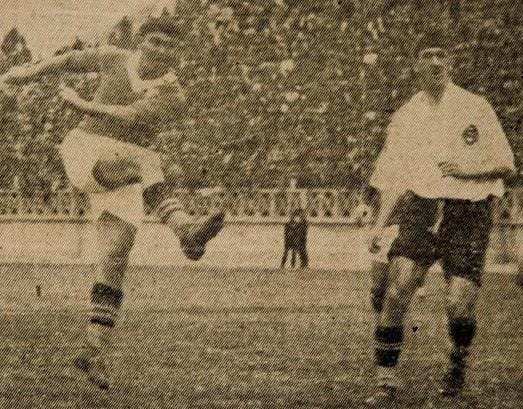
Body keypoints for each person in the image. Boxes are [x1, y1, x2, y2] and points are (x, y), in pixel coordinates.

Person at [0, 14, 224, 390]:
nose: (161, 51)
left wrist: (82, 104)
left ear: (176, 55)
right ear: (141, 42)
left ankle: (94, 349)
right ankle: (184, 228)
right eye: (155, 42)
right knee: (148, 161)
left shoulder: (174, 95)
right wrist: (26, 73)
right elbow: (70, 61)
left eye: (170, 47)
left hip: (128, 168)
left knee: (116, 256)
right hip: (87, 151)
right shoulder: (114, 58)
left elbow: (133, 118)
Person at [365, 30, 516, 406]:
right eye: (427, 55)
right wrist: (380, 225)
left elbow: (507, 163)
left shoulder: (475, 107)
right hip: (422, 206)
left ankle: (457, 364)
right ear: (417, 64)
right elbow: (390, 179)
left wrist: (466, 170)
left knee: (458, 304)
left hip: (468, 210)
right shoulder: (405, 116)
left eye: (442, 55)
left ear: (451, 62)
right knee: (398, 287)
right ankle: (386, 380)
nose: (435, 62)